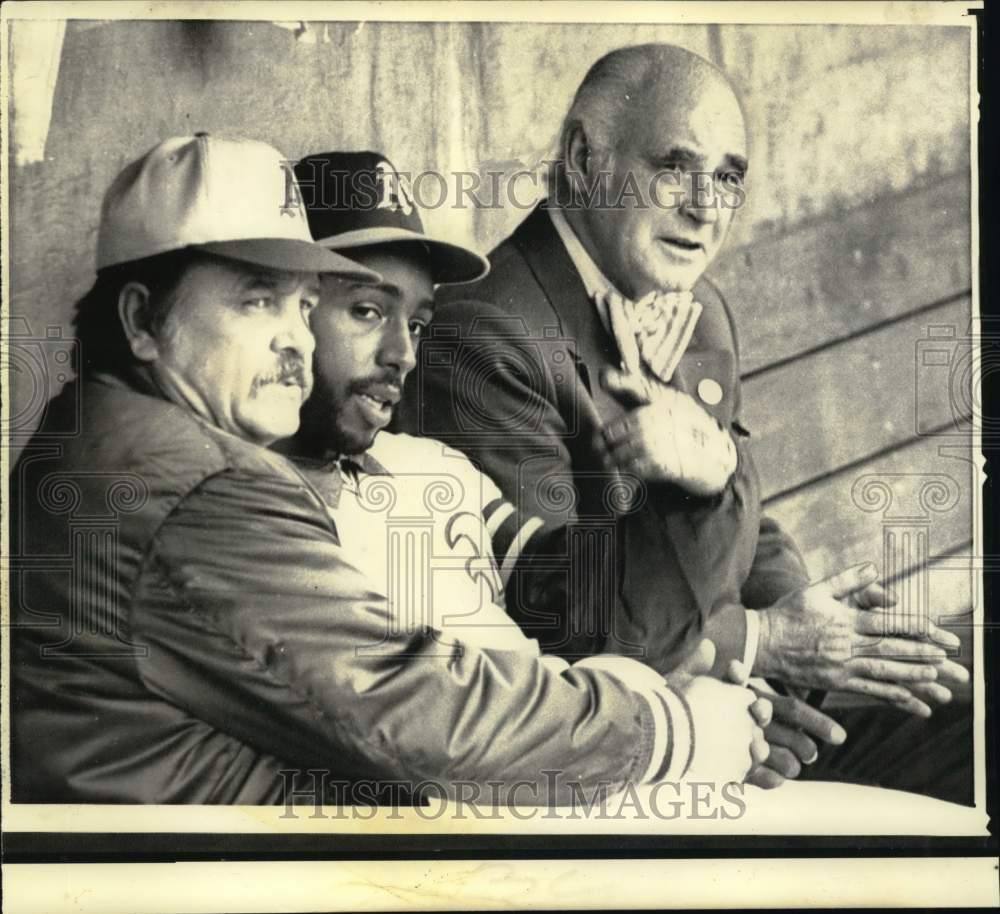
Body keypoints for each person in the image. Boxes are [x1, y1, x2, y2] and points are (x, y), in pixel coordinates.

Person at [9, 134, 767, 805]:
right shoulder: (200, 484)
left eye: (301, 307)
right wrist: (670, 729)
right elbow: (419, 715)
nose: (292, 343)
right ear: (142, 321)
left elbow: (570, 607)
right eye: (256, 302)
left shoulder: (102, 440)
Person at [399, 44, 972, 800]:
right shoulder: (488, 333)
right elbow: (554, 620)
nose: (707, 209)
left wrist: (805, 650)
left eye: (728, 176)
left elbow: (745, 522)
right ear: (582, 158)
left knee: (973, 707)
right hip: (615, 758)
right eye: (675, 167)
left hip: (740, 699)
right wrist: (766, 648)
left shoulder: (697, 310)